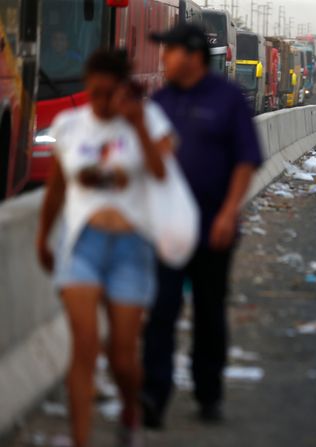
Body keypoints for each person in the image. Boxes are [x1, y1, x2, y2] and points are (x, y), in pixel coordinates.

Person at [36, 49, 174, 447]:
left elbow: (162, 173)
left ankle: (131, 409)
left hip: (131, 249)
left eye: (107, 93)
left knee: (123, 357)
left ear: (121, 90)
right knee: (84, 346)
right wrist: (42, 236)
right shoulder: (70, 125)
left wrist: (137, 126)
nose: (98, 102)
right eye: (93, 92)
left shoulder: (147, 122)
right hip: (81, 245)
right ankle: (82, 440)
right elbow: (57, 189)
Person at [142, 24, 263, 428]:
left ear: (192, 56)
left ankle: (207, 391)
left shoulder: (227, 99)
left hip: (214, 227)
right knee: (161, 312)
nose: (163, 60)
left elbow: (246, 160)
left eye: (169, 52)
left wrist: (230, 213)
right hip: (168, 230)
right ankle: (153, 395)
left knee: (209, 312)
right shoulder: (159, 102)